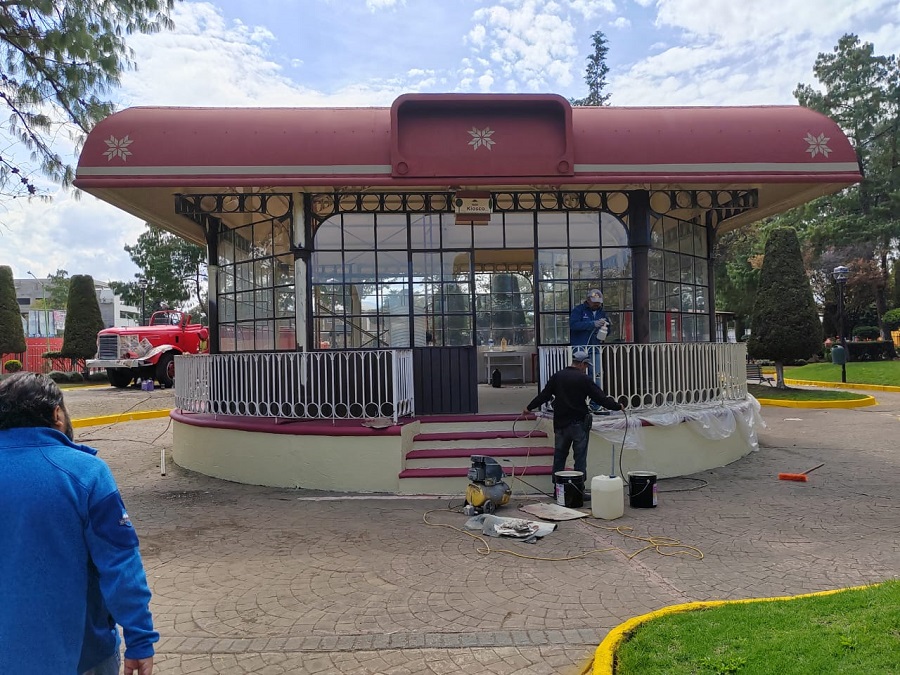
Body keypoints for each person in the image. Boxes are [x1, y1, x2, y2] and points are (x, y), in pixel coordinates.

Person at [0, 372, 158, 675]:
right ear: (57, 414)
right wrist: (139, 638)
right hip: (82, 656)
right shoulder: (85, 473)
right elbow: (120, 565)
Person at [523, 349, 622, 493]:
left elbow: (544, 395)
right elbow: (600, 398)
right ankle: (578, 491)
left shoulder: (558, 376)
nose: (586, 369)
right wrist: (617, 406)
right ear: (582, 364)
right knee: (580, 459)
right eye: (586, 366)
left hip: (561, 425)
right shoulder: (584, 379)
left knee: (559, 458)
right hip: (578, 425)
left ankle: (558, 490)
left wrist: (529, 407)